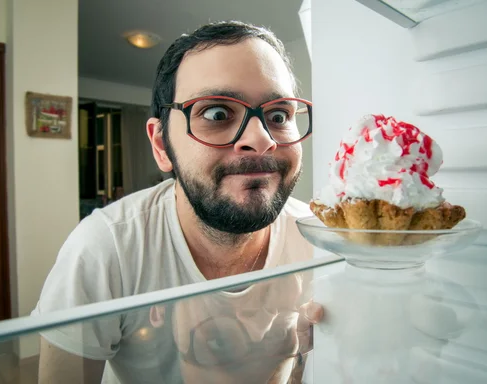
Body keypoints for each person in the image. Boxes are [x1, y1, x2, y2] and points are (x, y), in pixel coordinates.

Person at [33, 20, 322, 384]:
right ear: (160, 145)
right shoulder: (105, 248)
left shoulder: (320, 239)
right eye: (217, 113)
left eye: (278, 115)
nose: (260, 139)